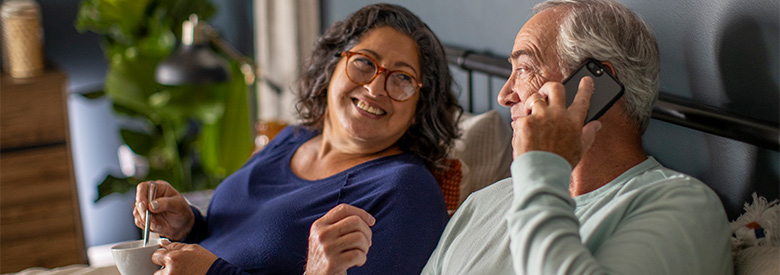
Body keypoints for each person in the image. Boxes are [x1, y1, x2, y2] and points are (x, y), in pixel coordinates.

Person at [132, 3, 461, 274]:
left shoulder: (406, 189)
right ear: (332, 68)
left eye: (402, 78)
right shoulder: (291, 137)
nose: (375, 88)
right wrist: (189, 226)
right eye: (364, 63)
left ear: (421, 106)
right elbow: (236, 240)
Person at [422, 0, 733, 274]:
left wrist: (542, 167)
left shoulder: (683, 207)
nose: (504, 95)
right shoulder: (483, 203)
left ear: (591, 85)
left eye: (525, 69)